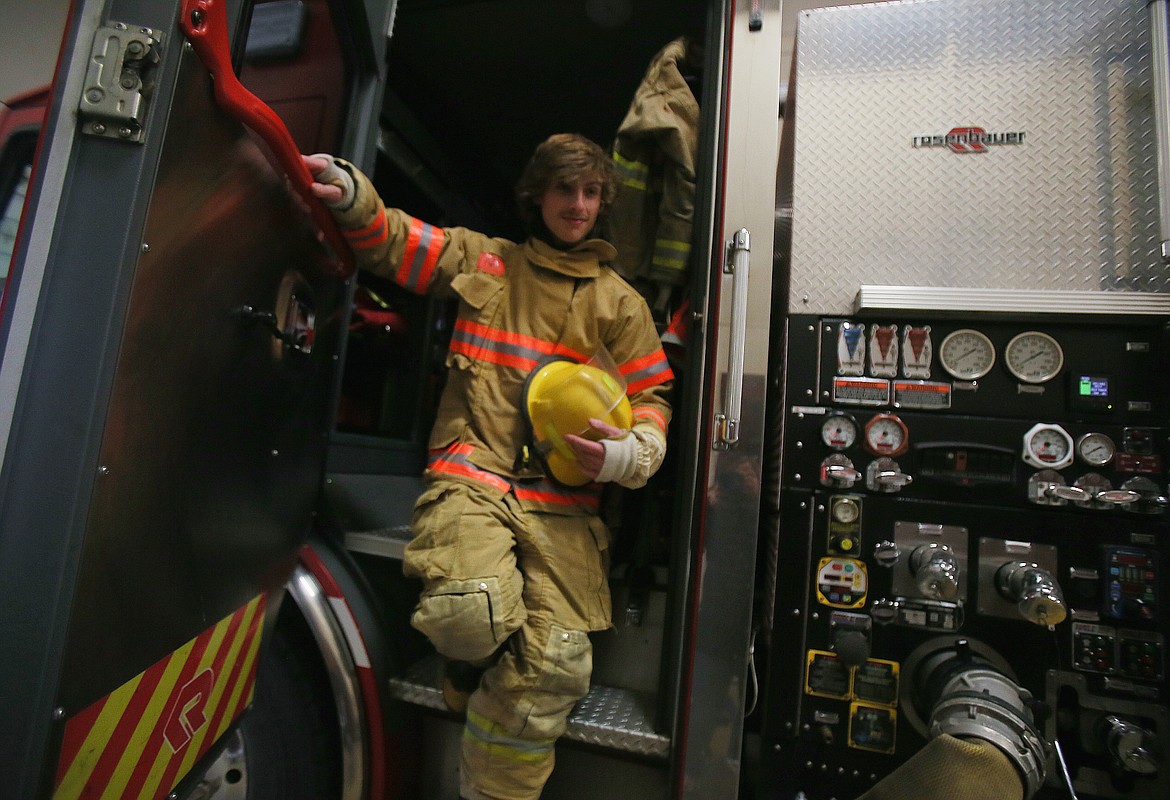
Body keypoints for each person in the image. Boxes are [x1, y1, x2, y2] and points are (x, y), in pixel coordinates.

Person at [303, 133, 674, 800]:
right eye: (566, 189)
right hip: (474, 474)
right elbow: (395, 241)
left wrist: (625, 455)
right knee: (467, 614)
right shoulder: (487, 261)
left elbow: (652, 399)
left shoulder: (622, 304)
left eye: (591, 193)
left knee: (555, 668)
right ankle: (467, 668)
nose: (579, 204)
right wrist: (354, 196)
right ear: (537, 195)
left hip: (566, 506)